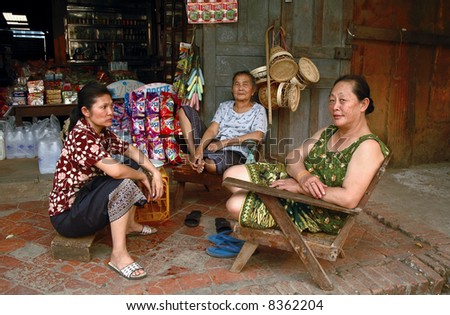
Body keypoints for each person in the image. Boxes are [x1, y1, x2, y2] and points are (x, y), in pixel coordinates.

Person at [224, 74, 390, 235]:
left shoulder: (368, 146)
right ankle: (264, 201)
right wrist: (303, 176)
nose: (335, 107)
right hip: (297, 186)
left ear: (363, 104)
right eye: (332, 100)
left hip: (317, 210)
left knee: (235, 204)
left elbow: (348, 199)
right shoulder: (328, 132)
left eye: (343, 100)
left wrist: (300, 188)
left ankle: (263, 202)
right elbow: (293, 156)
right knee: (231, 175)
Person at [48, 81, 164, 280]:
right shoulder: (82, 135)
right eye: (103, 107)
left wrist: (153, 171)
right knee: (124, 180)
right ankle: (118, 255)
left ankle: (130, 225)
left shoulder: (101, 132)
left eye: (111, 105)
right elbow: (117, 171)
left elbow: (129, 149)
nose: (110, 111)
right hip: (68, 216)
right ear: (86, 111)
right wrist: (144, 176)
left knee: (133, 166)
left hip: (86, 198)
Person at [178, 70, 268, 175]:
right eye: (237, 84)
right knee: (184, 111)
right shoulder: (224, 106)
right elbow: (212, 129)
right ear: (232, 89)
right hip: (212, 146)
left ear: (252, 91)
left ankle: (202, 161)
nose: (240, 88)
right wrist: (200, 148)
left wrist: (223, 143)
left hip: (236, 152)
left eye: (245, 85)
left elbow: (258, 135)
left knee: (211, 165)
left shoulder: (258, 110)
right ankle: (195, 156)